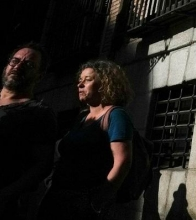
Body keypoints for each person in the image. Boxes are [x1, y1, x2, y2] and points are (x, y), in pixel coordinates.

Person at [38, 60, 135, 219]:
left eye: (88, 80)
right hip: (57, 196)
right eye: (80, 80)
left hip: (81, 203)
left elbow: (123, 161)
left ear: (105, 84)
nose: (79, 85)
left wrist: (98, 200)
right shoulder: (82, 117)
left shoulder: (116, 115)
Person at [0, 43, 57, 220]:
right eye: (15, 61)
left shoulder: (39, 113)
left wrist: (5, 195)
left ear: (40, 76)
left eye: (29, 64)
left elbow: (42, 166)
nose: (18, 66)